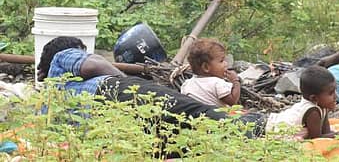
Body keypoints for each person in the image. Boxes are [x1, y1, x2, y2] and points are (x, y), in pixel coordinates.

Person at [36, 36, 264, 136]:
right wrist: (127, 81)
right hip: (117, 94)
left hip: (112, 120)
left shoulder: (48, 110)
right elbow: (94, 63)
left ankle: (248, 129)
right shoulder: (61, 57)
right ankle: (254, 126)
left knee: (184, 124)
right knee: (188, 114)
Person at [266, 66, 339, 140]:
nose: (336, 96)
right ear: (314, 98)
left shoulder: (322, 106)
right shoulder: (312, 111)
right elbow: (316, 139)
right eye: (331, 93)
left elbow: (326, 132)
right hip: (266, 126)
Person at [180, 38, 241, 108]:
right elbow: (232, 101)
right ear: (206, 67)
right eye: (221, 61)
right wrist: (235, 81)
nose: (226, 64)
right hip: (219, 117)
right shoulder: (217, 83)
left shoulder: (187, 84)